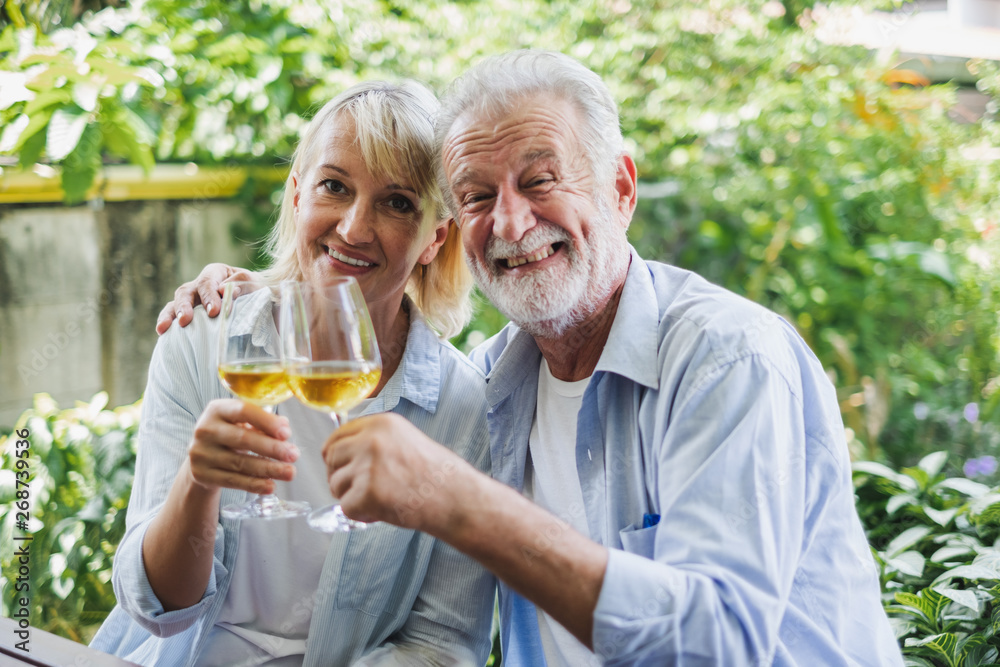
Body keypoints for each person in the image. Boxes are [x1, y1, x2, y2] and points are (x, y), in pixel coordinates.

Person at [163, 51, 904, 665]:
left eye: (541, 180)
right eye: (479, 195)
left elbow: (722, 642)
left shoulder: (726, 358)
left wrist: (460, 499)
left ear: (620, 188)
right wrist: (253, 291)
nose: (510, 221)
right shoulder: (490, 384)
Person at [91, 80, 495, 667]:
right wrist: (197, 486)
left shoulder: (465, 411)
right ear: (298, 194)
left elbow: (443, 645)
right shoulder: (202, 339)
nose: (354, 228)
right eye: (335, 186)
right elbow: (155, 608)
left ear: (435, 237)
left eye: (398, 202)